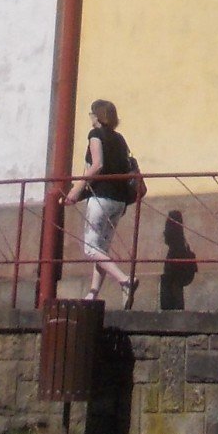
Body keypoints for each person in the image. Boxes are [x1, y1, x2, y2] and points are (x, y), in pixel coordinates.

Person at [64, 99, 141, 306]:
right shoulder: (120, 139)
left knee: (90, 248)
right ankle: (92, 294)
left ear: (97, 116)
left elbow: (97, 165)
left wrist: (76, 189)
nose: (90, 117)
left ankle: (125, 280)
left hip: (101, 198)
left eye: (91, 113)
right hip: (120, 201)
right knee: (101, 249)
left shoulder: (95, 135)